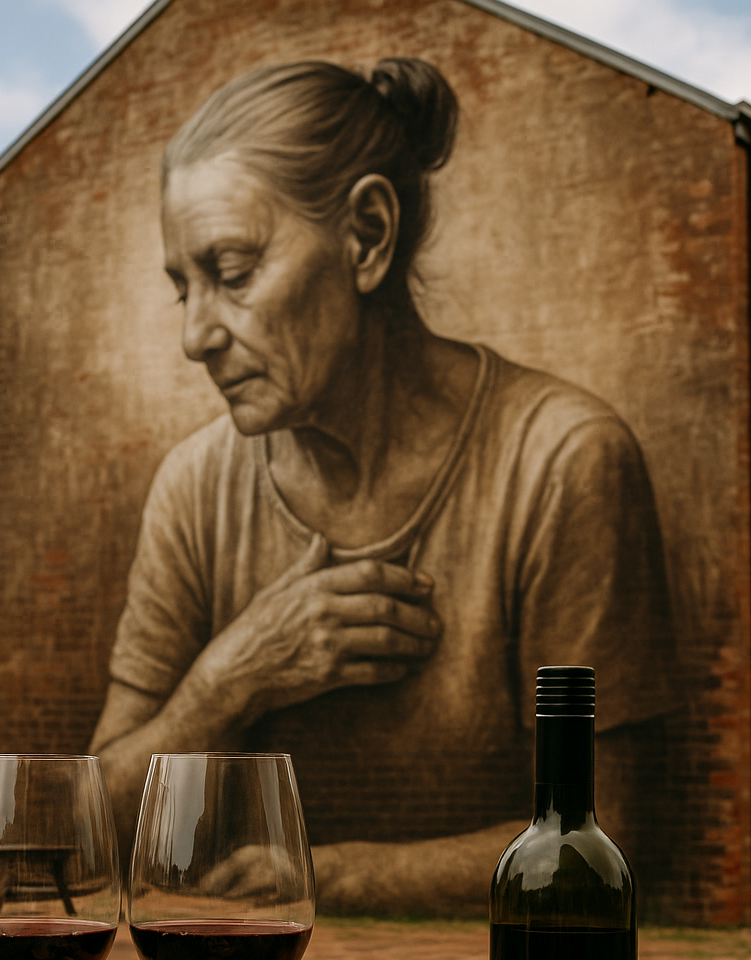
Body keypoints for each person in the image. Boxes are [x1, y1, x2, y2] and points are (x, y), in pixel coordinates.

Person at [90, 58, 678, 914]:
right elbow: (91, 833)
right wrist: (232, 680)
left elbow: (609, 834)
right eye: (184, 288)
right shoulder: (194, 486)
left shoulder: (560, 461)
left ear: (366, 235)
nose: (195, 336)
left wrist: (332, 875)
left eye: (234, 271)